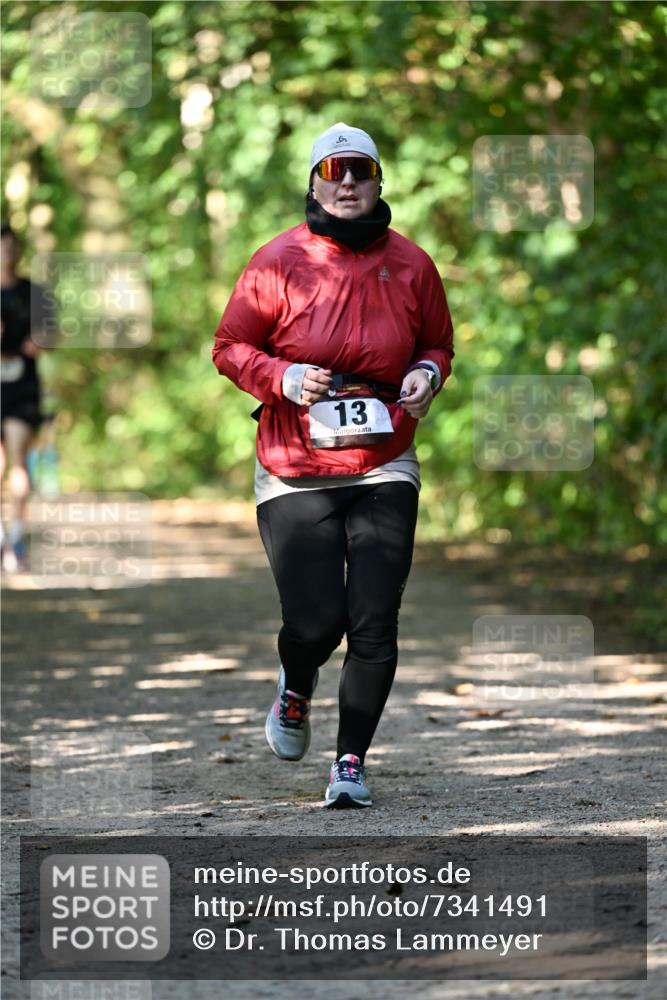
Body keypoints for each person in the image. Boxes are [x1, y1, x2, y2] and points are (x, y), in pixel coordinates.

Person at [212, 123, 454, 808]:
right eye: (333, 169)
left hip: (383, 463)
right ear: (315, 180)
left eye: (360, 169)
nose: (346, 181)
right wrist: (281, 377)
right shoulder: (276, 260)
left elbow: (437, 343)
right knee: (316, 624)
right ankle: (296, 686)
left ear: (379, 181)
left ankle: (349, 762)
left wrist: (426, 376)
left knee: (374, 619)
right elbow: (230, 346)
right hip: (294, 466)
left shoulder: (411, 263)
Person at [1, 224, 53, 572]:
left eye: (11, 248)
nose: (8, 254)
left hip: (23, 388)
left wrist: (40, 342)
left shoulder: (35, 293)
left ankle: (15, 539)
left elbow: (53, 334)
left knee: (18, 461)